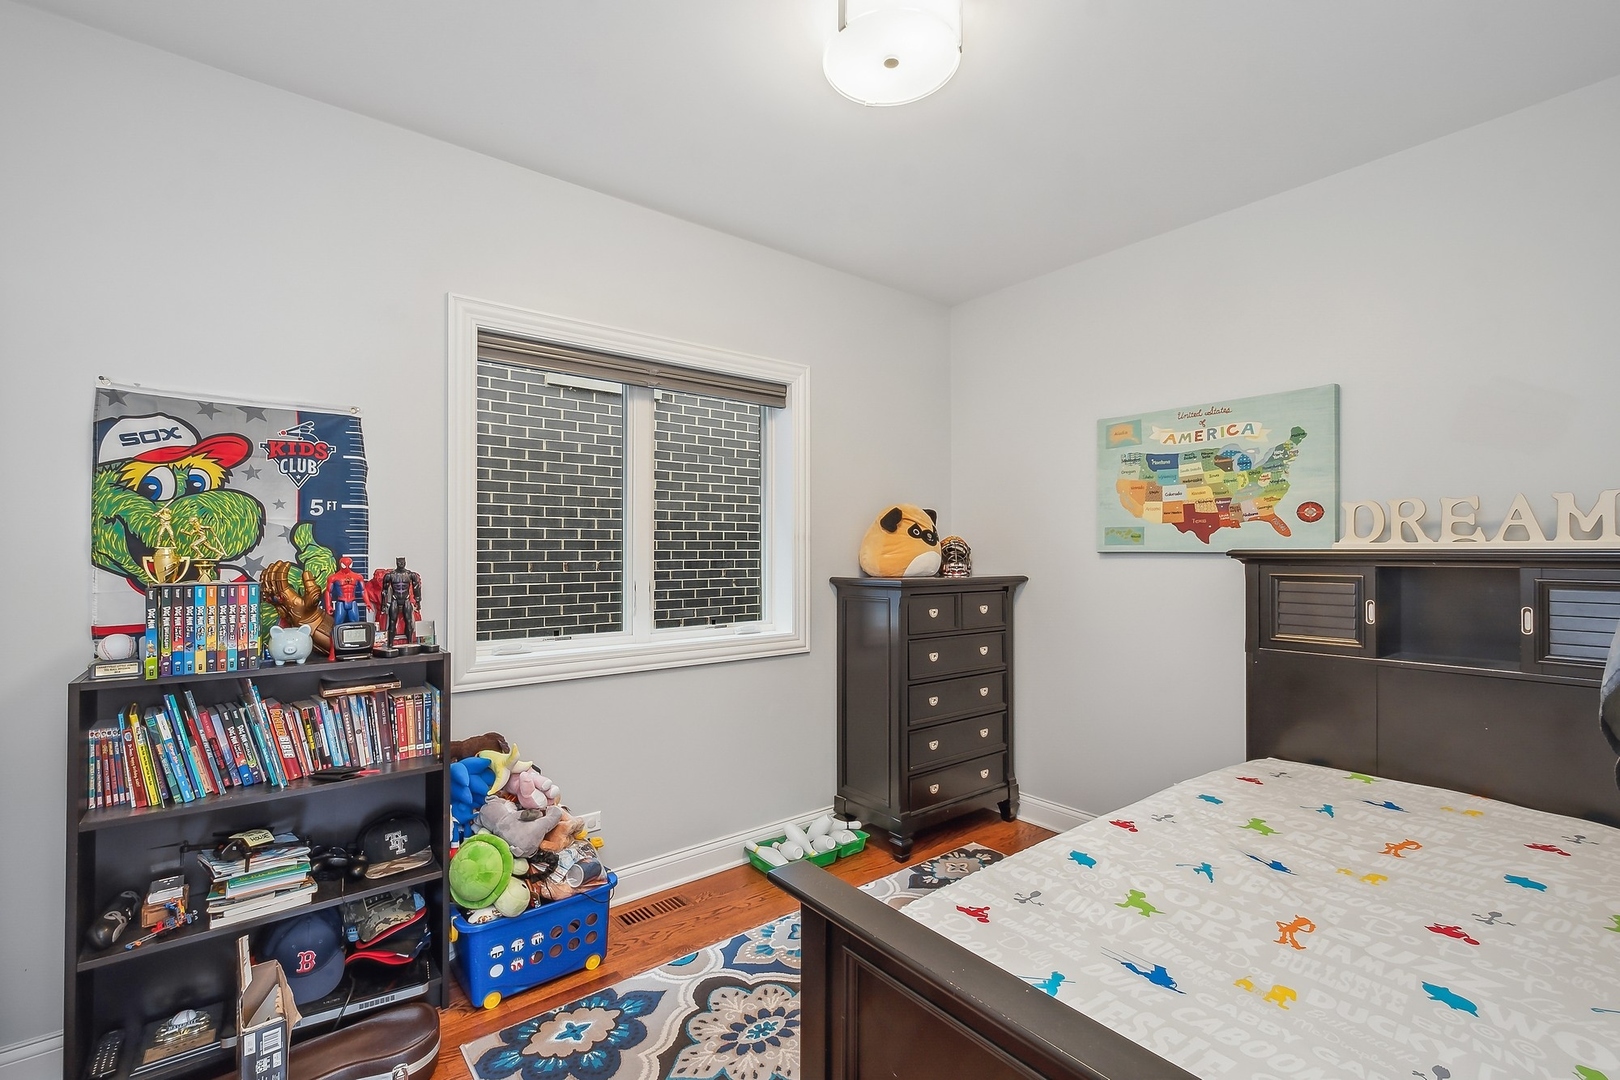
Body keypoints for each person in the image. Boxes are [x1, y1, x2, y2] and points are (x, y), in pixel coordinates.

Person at [377, 557, 422, 649]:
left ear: (405, 562)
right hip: (395, 599)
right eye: (399, 562)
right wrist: (383, 604)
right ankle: (390, 644)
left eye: (402, 562)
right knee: (392, 622)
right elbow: (384, 591)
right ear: (396, 562)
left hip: (406, 599)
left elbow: (416, 588)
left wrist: (418, 602)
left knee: (409, 622)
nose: (401, 564)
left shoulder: (410, 574)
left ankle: (409, 643)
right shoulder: (390, 575)